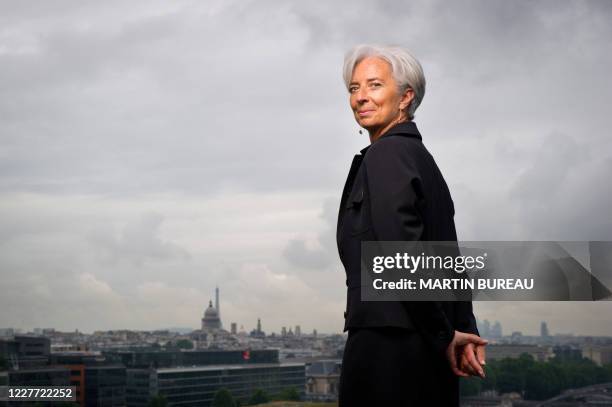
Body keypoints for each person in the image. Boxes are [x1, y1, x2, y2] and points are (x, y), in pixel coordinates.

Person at [336, 44, 487, 406]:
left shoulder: (386, 154)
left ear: (406, 96)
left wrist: (444, 333)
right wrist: (460, 328)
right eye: (354, 88)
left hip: (389, 350)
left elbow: (403, 254)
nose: (360, 98)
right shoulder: (421, 159)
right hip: (423, 349)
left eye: (374, 85)